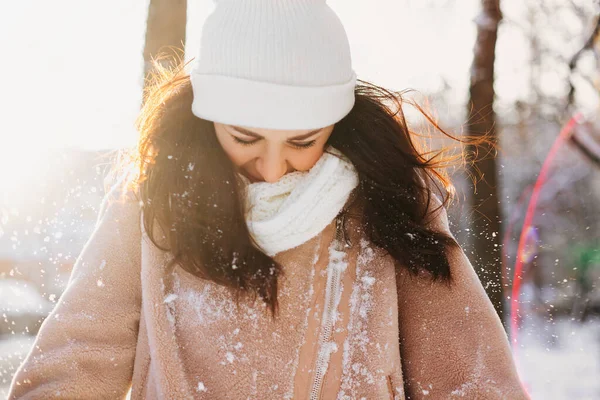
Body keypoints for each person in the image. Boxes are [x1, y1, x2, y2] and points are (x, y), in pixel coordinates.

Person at [8, 0, 529, 398]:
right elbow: (77, 360)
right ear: (209, 117)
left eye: (303, 141)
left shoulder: (391, 199)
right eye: (245, 137)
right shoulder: (152, 200)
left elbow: (469, 375)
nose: (273, 166)